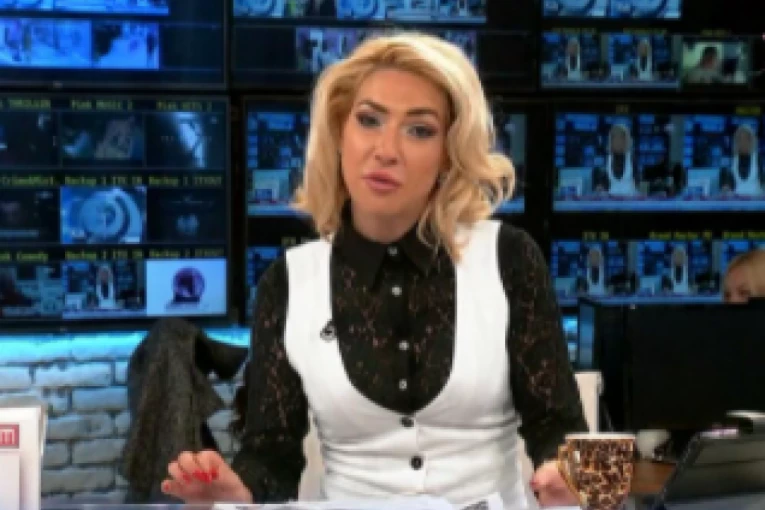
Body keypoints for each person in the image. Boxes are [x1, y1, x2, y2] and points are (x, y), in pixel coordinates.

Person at [162, 32, 586, 509]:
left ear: (449, 154)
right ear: (340, 133)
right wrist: (236, 492)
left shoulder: (510, 257)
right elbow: (271, 457)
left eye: (419, 130)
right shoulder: (288, 282)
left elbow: (558, 426)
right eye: (369, 120)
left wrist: (565, 474)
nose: (386, 150)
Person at [593, 124, 640, 196]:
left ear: (626, 141)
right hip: (612, 198)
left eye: (621, 138)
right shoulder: (608, 159)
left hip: (630, 197)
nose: (617, 142)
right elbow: (605, 180)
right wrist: (601, 186)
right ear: (611, 141)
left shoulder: (631, 158)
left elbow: (637, 179)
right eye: (614, 138)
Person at [720, 124, 764, 197]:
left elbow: (763, 180)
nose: (743, 142)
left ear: (752, 141)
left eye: (746, 139)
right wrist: (726, 188)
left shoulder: (758, 159)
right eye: (739, 139)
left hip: (756, 198)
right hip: (736, 199)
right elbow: (725, 181)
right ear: (735, 141)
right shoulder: (730, 159)